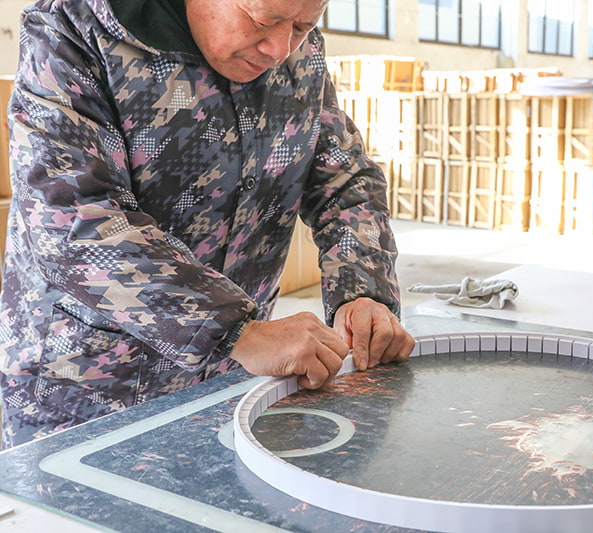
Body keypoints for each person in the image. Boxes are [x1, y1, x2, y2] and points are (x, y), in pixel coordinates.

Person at [0, 0, 415, 448]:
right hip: (86, 394)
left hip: (231, 384)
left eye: (303, 25)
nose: (279, 49)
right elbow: (74, 219)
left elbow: (345, 181)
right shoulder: (74, 32)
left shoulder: (298, 53)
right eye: (265, 20)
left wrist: (362, 292)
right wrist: (236, 331)